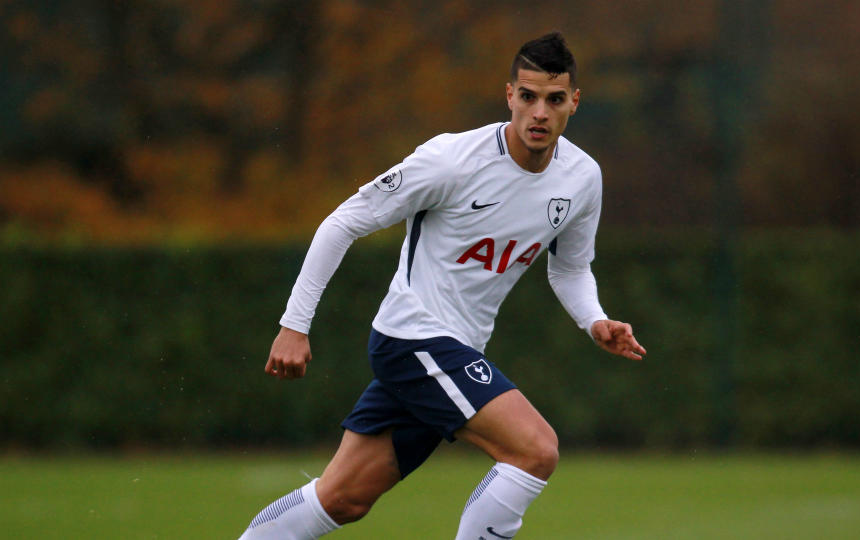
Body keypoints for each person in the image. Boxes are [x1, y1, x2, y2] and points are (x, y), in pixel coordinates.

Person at [238, 32, 645, 540]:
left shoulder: (581, 178)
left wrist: (594, 320)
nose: (540, 112)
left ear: (574, 103)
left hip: (452, 350)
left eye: (554, 99)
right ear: (509, 95)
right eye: (528, 96)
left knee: (342, 499)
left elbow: (569, 269)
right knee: (535, 449)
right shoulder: (453, 160)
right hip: (414, 338)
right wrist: (293, 326)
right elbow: (342, 223)